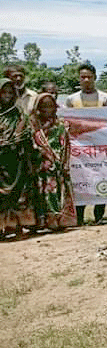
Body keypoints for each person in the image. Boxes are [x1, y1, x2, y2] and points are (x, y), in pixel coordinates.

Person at [65, 64, 107, 225]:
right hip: (80, 150)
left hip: (101, 148)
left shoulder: (105, 98)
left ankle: (99, 217)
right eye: (82, 77)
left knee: (102, 180)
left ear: (95, 77)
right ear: (79, 78)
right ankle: (79, 218)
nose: (86, 80)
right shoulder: (72, 99)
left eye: (89, 77)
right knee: (81, 182)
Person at [30, 92, 77, 230]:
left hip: (58, 166)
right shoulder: (33, 125)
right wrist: (43, 157)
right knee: (42, 193)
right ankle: (43, 221)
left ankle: (59, 221)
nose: (47, 110)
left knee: (58, 192)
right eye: (43, 106)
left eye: (50, 106)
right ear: (38, 107)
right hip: (40, 166)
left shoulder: (60, 125)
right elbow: (32, 144)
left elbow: (66, 145)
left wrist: (63, 163)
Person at [0, 78, 35, 237]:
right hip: (1, 161)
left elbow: (28, 133)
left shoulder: (19, 114)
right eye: (3, 92)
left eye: (10, 92)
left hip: (16, 160)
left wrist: (19, 138)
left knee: (17, 193)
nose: (6, 95)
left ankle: (15, 226)